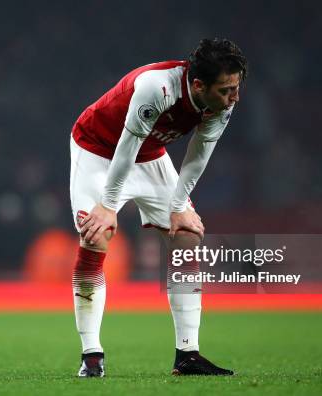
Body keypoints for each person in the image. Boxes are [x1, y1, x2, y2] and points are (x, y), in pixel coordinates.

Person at [70, 38, 246, 376]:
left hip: (149, 155)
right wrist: (108, 205)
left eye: (235, 88)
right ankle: (91, 355)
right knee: (96, 236)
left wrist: (180, 206)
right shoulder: (157, 87)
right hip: (97, 149)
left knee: (187, 237)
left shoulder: (222, 103)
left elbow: (199, 154)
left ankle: (188, 355)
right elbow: (126, 145)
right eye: (226, 90)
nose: (234, 97)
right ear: (198, 85)